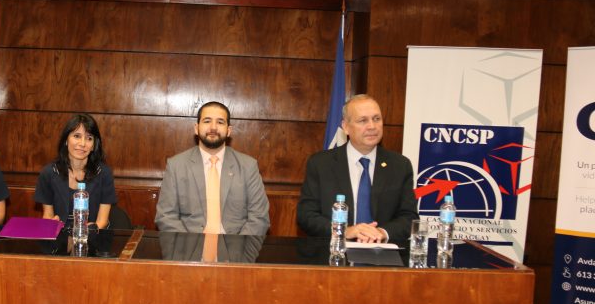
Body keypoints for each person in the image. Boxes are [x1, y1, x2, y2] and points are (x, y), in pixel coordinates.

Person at [297, 94, 418, 243]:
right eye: (363, 120)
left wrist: (381, 233)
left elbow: (409, 217)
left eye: (376, 119)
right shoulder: (321, 164)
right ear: (346, 127)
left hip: (381, 251)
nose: (372, 126)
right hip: (334, 250)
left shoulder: (400, 166)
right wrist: (344, 231)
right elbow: (306, 216)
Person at [155, 101, 270, 235]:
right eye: (207, 121)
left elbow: (259, 218)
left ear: (229, 131)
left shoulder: (248, 166)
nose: (213, 127)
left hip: (235, 244)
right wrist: (189, 246)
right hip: (189, 244)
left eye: (220, 122)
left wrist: (237, 246)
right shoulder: (176, 165)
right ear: (196, 128)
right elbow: (166, 217)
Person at [34, 113, 117, 230]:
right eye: (77, 136)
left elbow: (102, 221)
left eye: (89, 138)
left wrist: (85, 232)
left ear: (94, 145)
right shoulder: (49, 173)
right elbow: (48, 215)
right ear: (66, 140)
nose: (82, 144)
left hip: (92, 236)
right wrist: (51, 224)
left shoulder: (104, 173)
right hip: (59, 236)